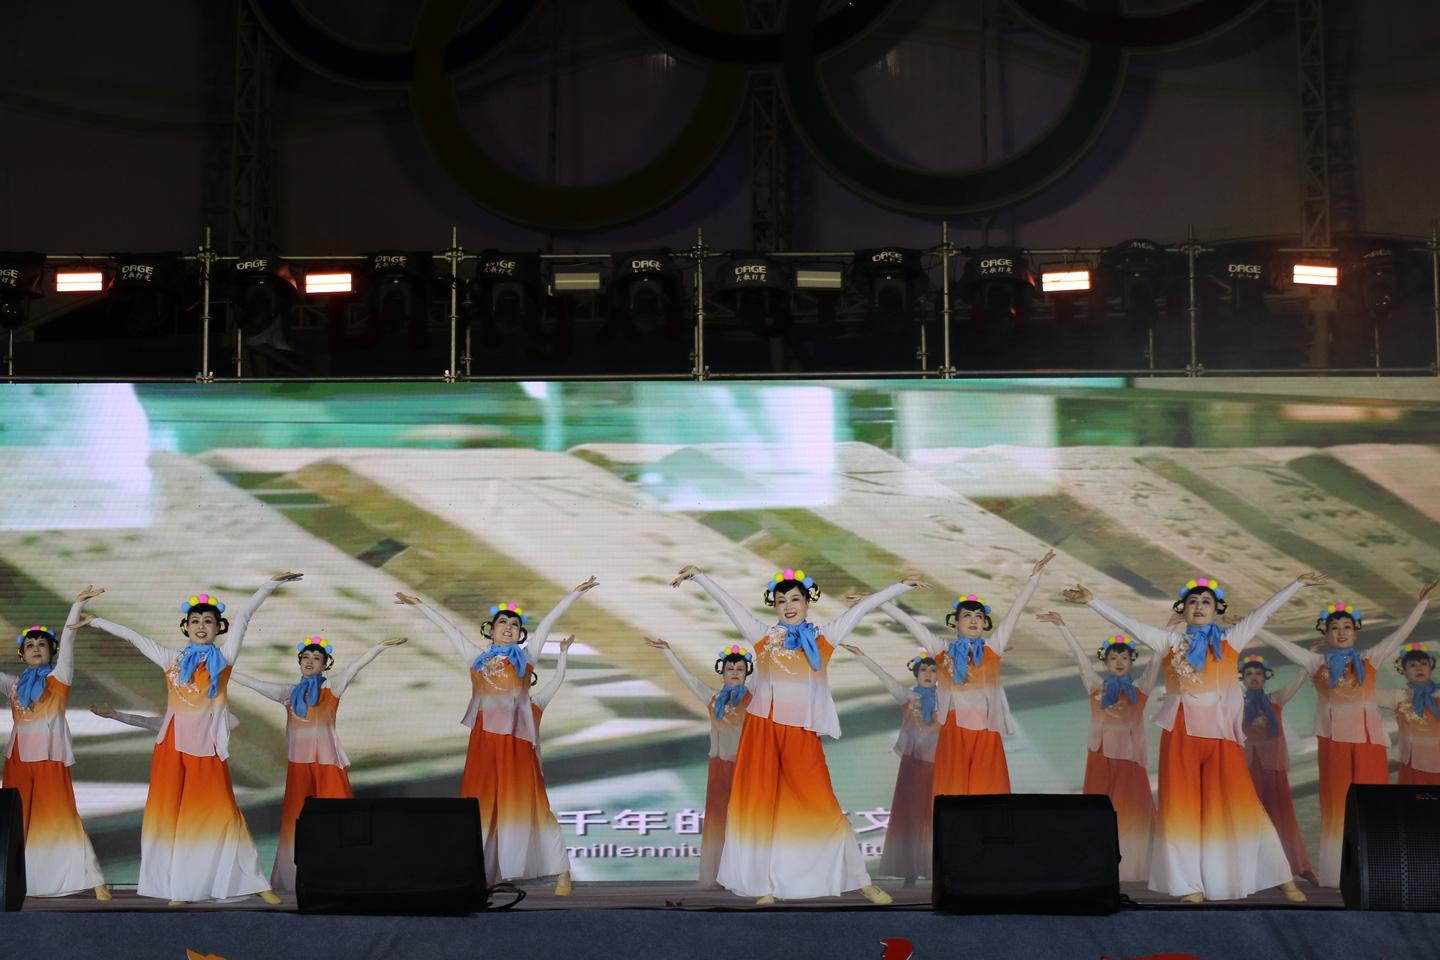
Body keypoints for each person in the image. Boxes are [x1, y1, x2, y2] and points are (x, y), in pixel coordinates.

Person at [670, 563, 926, 904]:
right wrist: (700, 577)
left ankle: (860, 880)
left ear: (807, 602)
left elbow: (861, 609)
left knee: (822, 806)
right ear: (774, 606)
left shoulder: (824, 638)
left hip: (801, 733)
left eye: (794, 599)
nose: (788, 606)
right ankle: (763, 885)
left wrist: (901, 586)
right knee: (760, 807)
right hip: (761, 732)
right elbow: (730, 605)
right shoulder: (763, 636)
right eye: (781, 601)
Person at [1064, 572, 1325, 902]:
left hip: (1221, 737)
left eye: (1206, 602)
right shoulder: (1170, 643)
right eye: (1192, 602)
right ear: (1183, 610)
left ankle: (1278, 875)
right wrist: (1093, 601)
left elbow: (1263, 612)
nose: (1199, 606)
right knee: (1179, 810)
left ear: (1217, 610)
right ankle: (1189, 886)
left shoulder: (1231, 641)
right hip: (1181, 736)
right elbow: (1130, 624)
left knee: (1242, 805)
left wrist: (1297, 583)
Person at [83, 573, 301, 904]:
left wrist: (269, 585)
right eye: (195, 621)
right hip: (171, 752)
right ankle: (180, 889)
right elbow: (135, 638)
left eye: (208, 621)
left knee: (225, 816)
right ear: (186, 627)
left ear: (218, 628)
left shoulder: (224, 659)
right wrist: (96, 621)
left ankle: (255, 883)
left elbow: (244, 617)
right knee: (173, 819)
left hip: (207, 752)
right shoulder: (171, 659)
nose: (201, 626)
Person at [395, 579, 593, 894]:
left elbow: (548, 622)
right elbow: (450, 631)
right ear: (490, 630)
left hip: (516, 743)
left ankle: (561, 872)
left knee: (530, 804)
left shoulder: (526, 658)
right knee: (481, 805)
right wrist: (420, 605)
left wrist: (575, 593)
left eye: (515, 625)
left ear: (521, 634)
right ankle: (480, 873)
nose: (509, 628)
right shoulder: (476, 658)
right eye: (503, 623)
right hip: (484, 742)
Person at [1258, 579, 1437, 886]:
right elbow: (1280, 645)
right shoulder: (1315, 662)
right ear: (1326, 634)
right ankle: (1334, 875)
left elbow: (1400, 634)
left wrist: (1421, 604)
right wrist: (1252, 626)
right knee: (1335, 806)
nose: (1341, 632)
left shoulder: (1370, 659)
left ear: (1356, 632)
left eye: (1347, 627)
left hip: (1369, 742)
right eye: (1334, 628)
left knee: (1375, 805)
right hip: (1333, 742)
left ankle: (1380, 873)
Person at [229, 636, 408, 891]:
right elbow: (254, 683)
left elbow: (356, 667)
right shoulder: (288, 693)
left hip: (327, 763)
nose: (310, 662)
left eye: (316, 658)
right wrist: (226, 670)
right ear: (299, 662)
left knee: (342, 815)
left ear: (325, 665)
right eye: (306, 657)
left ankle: (351, 875)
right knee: (295, 820)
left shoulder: (331, 688)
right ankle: (292, 879)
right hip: (299, 766)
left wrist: (379, 647)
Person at [1036, 611, 1160, 883]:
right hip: (1100, 759)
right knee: (1097, 813)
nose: (1119, 662)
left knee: (1133, 813)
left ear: (1132, 661)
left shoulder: (1140, 690)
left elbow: (1156, 661)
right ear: (1105, 662)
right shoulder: (1096, 687)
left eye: (1124, 657)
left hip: (1129, 761)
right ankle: (1097, 868)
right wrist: (1063, 626)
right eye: (1113, 658)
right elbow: (1081, 661)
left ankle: (1134, 869)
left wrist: (1168, 631)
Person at [1, 585, 108, 898]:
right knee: (16, 823)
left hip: (49, 758)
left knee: (62, 818)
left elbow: (70, 639)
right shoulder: (14, 686)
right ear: (22, 654)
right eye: (30, 645)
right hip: (17, 761)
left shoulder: (58, 678)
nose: (36, 648)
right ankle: (20, 882)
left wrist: (76, 605)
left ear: (52, 651)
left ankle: (95, 881)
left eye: (42, 644)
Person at [645, 637, 752, 888]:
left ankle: (747, 876)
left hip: (748, 768)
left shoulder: (754, 698)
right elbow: (688, 679)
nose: (734, 673)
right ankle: (717, 877)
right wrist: (668, 652)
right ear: (722, 672)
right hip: (719, 767)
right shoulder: (712, 697)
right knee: (718, 821)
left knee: (747, 822)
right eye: (730, 669)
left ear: (747, 674)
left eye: (740, 669)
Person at [837, 637, 940, 887]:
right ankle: (911, 870)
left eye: (933, 670)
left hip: (940, 767)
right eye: (923, 670)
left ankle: (937, 867)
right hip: (913, 767)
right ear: (916, 674)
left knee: (936, 817)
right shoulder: (908, 697)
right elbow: (884, 678)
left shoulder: (946, 699)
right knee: (911, 818)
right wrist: (862, 654)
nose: (928, 674)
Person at [1237, 653, 1315, 885]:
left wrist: (1308, 659)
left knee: (1282, 817)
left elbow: (1300, 679)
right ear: (1242, 678)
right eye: (1249, 674)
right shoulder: (1236, 703)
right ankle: (1251, 871)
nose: (1254, 677)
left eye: (1258, 673)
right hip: (1247, 769)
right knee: (1249, 819)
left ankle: (1298, 866)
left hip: (1273, 767)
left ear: (1265, 677)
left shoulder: (1275, 700)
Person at [1393, 643, 1440, 786]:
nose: (1419, 668)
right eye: (1413, 665)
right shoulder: (1399, 697)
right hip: (1413, 765)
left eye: (1423, 664)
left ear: (1431, 667)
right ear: (1404, 671)